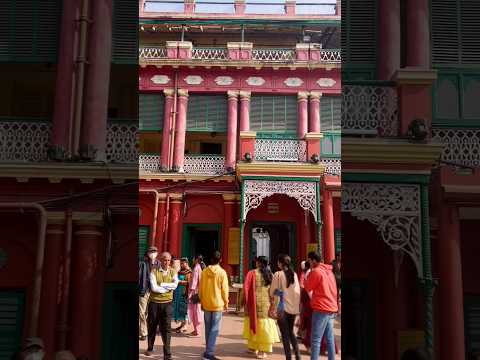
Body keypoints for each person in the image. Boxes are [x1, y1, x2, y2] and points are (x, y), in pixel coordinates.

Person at [243, 256, 280, 359]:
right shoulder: (270, 275)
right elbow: (275, 292)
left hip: (253, 304)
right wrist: (274, 305)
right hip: (266, 304)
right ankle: (262, 350)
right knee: (264, 327)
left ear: (258, 263)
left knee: (253, 325)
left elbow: (245, 288)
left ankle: (255, 348)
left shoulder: (251, 273)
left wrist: (244, 302)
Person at [304, 251, 338, 360]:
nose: (308, 262)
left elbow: (308, 287)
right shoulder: (329, 272)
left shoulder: (316, 272)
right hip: (331, 307)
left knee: (316, 339)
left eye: (309, 260)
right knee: (329, 338)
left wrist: (308, 276)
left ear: (313, 260)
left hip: (321, 308)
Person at [145, 251, 179, 358]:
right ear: (161, 260)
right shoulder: (154, 272)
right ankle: (150, 347)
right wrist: (168, 288)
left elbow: (175, 285)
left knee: (167, 329)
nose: (167, 262)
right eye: (165, 260)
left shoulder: (173, 271)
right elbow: (154, 288)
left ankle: (167, 354)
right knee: (152, 327)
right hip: (154, 303)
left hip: (167, 304)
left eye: (168, 260)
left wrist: (163, 285)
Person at [199, 251, 229, 360]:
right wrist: (226, 302)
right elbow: (225, 290)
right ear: (220, 260)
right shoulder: (222, 272)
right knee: (214, 329)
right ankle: (209, 353)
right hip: (217, 304)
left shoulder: (204, 271)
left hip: (206, 303)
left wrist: (202, 301)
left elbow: (200, 288)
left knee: (208, 328)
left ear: (210, 260)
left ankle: (208, 349)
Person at [270, 254, 301, 360]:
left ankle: (288, 357)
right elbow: (297, 292)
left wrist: (278, 294)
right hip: (293, 309)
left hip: (282, 308)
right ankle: (297, 355)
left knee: (284, 335)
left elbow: (272, 291)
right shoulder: (295, 274)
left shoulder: (278, 274)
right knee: (291, 332)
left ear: (280, 263)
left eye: (278, 262)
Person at [139, 246, 160, 341]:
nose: (153, 253)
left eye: (155, 251)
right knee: (141, 312)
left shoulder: (159, 264)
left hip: (155, 292)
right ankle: (144, 333)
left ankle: (144, 330)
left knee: (150, 312)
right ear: (147, 253)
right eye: (151, 251)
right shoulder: (143, 263)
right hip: (144, 290)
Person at [188, 254, 206, 336]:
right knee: (197, 310)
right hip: (200, 291)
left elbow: (194, 282)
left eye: (193, 258)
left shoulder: (196, 268)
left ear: (196, 260)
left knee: (196, 311)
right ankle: (196, 329)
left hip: (195, 292)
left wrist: (191, 292)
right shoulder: (201, 267)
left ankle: (197, 331)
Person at [173, 257, 192, 333]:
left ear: (186, 263)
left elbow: (189, 283)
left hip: (184, 293)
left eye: (183, 263)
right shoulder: (180, 271)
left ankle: (185, 326)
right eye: (180, 263)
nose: (181, 265)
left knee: (184, 309)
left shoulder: (189, 272)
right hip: (178, 292)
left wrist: (180, 282)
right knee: (179, 309)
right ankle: (181, 324)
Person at [298, 260, 312, 353]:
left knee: (306, 320)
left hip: (309, 300)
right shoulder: (309, 273)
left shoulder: (307, 274)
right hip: (309, 300)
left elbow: (302, 285)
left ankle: (308, 343)